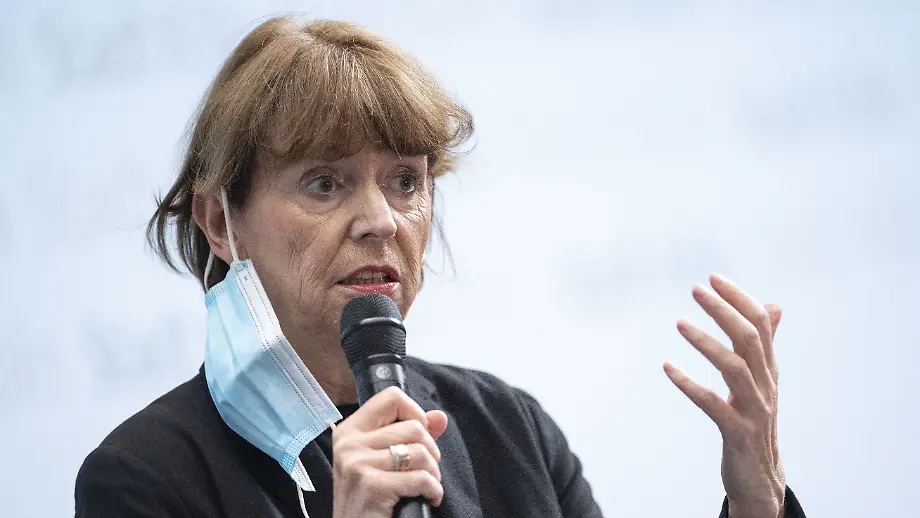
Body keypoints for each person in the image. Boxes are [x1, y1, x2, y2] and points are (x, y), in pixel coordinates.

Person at [74, 16, 807, 518]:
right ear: (218, 223)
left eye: (405, 181)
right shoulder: (143, 479)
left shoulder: (509, 431)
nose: (381, 221)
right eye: (324, 183)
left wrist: (758, 503)